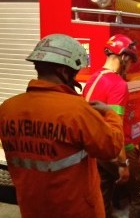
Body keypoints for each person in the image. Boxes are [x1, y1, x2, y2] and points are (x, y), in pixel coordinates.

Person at [0, 34, 124, 218]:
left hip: (33, 210)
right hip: (75, 211)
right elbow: (111, 147)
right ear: (64, 71)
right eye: (75, 71)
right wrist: (109, 114)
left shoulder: (7, 109)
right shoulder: (76, 110)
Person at [83, 34, 140, 218]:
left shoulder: (93, 78)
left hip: (96, 148)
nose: (129, 67)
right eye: (130, 62)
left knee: (102, 194)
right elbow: (116, 126)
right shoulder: (118, 84)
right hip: (117, 149)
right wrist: (122, 163)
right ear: (124, 57)